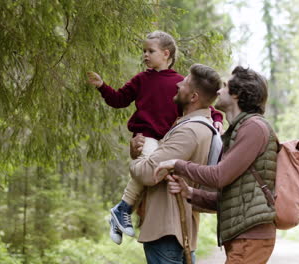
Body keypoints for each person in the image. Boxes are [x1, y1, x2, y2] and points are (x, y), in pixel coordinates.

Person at [87, 31, 223, 245]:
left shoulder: (181, 84)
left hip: (168, 138)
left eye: (150, 51)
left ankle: (121, 211)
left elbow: (205, 104)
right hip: (146, 136)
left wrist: (216, 118)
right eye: (144, 51)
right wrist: (102, 86)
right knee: (152, 168)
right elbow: (119, 99)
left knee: (158, 176)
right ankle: (124, 208)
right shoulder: (141, 80)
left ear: (166, 54)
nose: (145, 55)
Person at [155, 66, 278, 264]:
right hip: (243, 236)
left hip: (250, 237)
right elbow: (232, 198)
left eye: (225, 86)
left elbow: (220, 176)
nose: (218, 91)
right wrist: (191, 194)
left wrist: (177, 164)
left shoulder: (253, 128)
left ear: (237, 94)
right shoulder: (241, 129)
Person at [129, 63, 222, 263]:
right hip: (178, 229)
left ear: (193, 97)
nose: (179, 84)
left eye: (186, 82)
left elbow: (147, 173)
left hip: (167, 230)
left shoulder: (189, 131)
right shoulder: (200, 126)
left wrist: (137, 160)